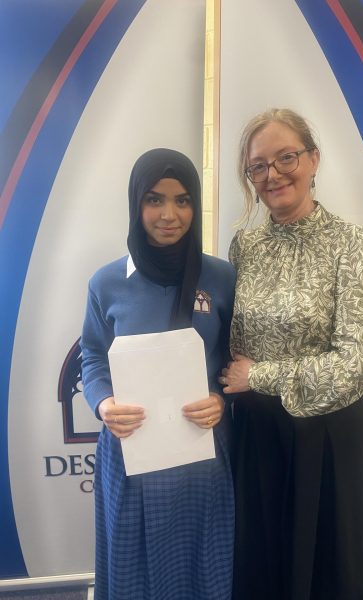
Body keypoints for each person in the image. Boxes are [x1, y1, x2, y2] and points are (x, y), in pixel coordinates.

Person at [220, 108, 363, 600]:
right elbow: (233, 344)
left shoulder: (351, 244)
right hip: (257, 438)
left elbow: (358, 362)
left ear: (313, 159)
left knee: (327, 570)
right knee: (262, 567)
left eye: (286, 157)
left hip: (327, 438)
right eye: (258, 166)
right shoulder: (245, 246)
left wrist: (261, 377)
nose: (273, 174)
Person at [81, 148, 235, 600]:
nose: (169, 214)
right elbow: (93, 356)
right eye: (154, 199)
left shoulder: (221, 277)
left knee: (205, 567)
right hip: (132, 450)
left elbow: (236, 360)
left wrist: (222, 398)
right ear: (136, 204)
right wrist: (103, 403)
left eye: (183, 200)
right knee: (133, 573)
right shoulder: (106, 283)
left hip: (201, 451)